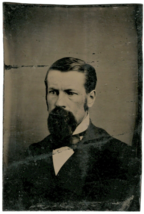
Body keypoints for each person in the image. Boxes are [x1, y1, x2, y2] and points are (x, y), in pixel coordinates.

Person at [3, 57, 141, 211]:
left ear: (90, 98)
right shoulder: (30, 155)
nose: (59, 102)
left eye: (70, 93)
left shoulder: (122, 158)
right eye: (53, 92)